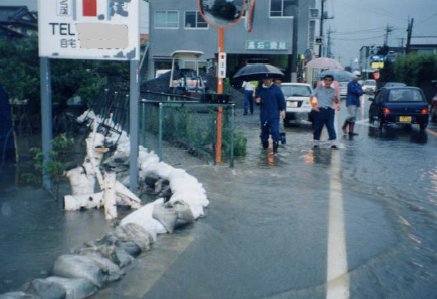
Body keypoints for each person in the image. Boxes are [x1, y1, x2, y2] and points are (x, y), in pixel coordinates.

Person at [255, 77, 286, 153]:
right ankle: (264, 149)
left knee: (275, 131)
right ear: (262, 80)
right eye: (264, 79)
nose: (266, 81)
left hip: (274, 114)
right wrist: (257, 101)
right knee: (264, 132)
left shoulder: (276, 89)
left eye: (268, 79)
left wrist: (283, 110)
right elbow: (257, 101)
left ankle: (275, 151)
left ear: (271, 80)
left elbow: (281, 100)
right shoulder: (259, 89)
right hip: (264, 114)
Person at [311, 74, 340, 149]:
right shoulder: (319, 89)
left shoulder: (333, 90)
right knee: (318, 127)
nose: (327, 82)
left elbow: (336, 101)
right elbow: (312, 97)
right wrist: (314, 106)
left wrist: (335, 98)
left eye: (329, 80)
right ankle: (315, 142)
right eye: (326, 80)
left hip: (329, 111)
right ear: (324, 81)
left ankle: (333, 142)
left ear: (332, 82)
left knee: (330, 126)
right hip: (320, 110)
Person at [342, 70, 363, 136]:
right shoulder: (350, 84)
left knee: (354, 117)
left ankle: (351, 131)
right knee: (351, 115)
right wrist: (358, 91)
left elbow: (361, 92)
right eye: (357, 76)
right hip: (351, 101)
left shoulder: (359, 84)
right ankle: (344, 126)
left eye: (359, 76)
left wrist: (358, 91)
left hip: (356, 102)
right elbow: (355, 91)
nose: (358, 77)